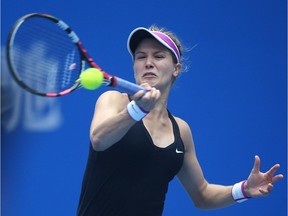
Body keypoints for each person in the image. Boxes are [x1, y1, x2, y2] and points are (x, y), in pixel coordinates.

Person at [76, 25, 283, 216]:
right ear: (134, 66)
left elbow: (202, 195)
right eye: (141, 57)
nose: (148, 63)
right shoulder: (113, 100)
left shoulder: (181, 131)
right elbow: (99, 140)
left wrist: (244, 189)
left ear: (176, 68)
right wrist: (137, 110)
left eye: (158, 56)